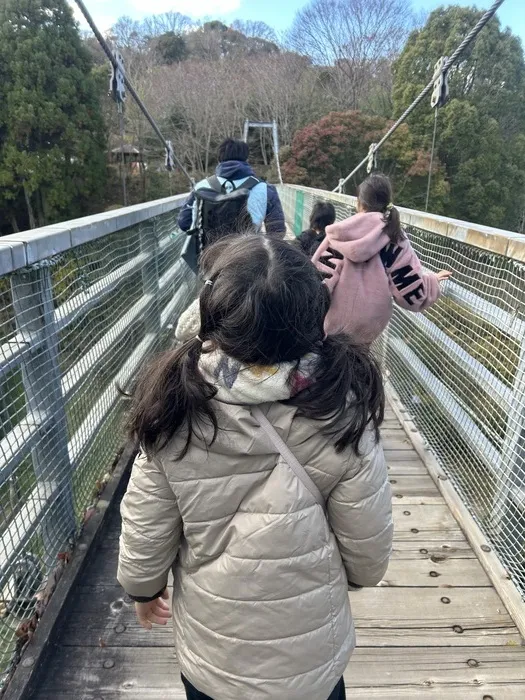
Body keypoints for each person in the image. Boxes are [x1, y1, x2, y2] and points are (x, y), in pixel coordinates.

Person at [118, 235, 393, 700]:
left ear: (214, 314)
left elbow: (146, 526)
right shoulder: (345, 412)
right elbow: (368, 556)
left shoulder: (173, 408)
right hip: (310, 660)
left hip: (214, 657)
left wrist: (144, 591)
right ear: (313, 316)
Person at [312, 173, 452, 344]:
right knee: (356, 366)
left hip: (333, 325)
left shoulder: (341, 233)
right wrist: (432, 282)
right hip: (368, 330)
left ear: (359, 203)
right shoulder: (395, 238)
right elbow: (411, 294)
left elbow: (319, 277)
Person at [178, 138, 286, 243]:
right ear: (246, 158)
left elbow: (184, 223)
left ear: (219, 159)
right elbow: (277, 231)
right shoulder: (265, 188)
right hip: (248, 255)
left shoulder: (201, 187)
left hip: (208, 256)